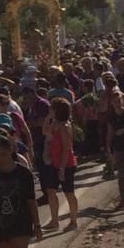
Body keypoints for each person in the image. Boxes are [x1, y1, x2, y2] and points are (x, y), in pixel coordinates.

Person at [41, 98, 80, 232]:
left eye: (52, 108)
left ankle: (73, 221)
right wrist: (48, 118)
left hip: (66, 164)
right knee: (50, 190)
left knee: (69, 192)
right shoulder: (54, 123)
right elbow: (44, 132)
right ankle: (54, 220)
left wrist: (62, 168)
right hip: (53, 162)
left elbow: (66, 148)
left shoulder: (65, 127)